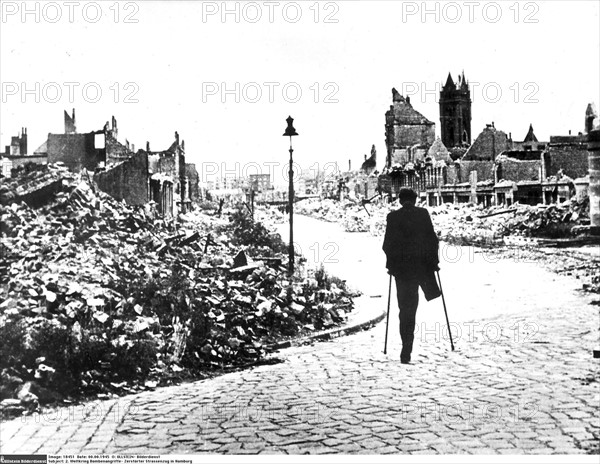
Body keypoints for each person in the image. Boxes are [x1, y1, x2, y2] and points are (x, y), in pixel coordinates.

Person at [382, 188, 441, 364]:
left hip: (402, 272)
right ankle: (408, 346)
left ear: (400, 201)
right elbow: (432, 241)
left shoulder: (393, 217)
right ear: (415, 200)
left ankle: (406, 345)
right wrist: (434, 262)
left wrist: (391, 265)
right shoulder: (423, 214)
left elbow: (387, 245)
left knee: (404, 309)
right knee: (414, 306)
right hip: (420, 269)